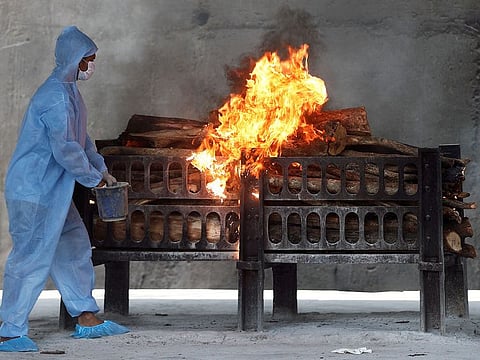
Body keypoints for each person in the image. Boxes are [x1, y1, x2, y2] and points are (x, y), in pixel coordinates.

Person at [0, 25, 129, 352]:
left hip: (53, 191)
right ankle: (9, 330)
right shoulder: (54, 96)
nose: (92, 65)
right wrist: (93, 179)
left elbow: (81, 141)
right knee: (29, 259)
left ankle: (85, 315)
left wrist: (101, 170)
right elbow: (65, 150)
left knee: (73, 245)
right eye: (88, 59)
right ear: (75, 60)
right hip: (34, 191)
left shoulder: (70, 92)